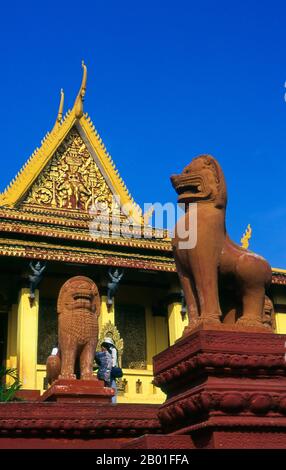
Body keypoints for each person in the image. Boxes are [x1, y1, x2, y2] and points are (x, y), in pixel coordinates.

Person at [95, 337, 118, 403]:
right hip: (109, 371)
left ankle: (111, 401)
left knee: (109, 386)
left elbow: (113, 362)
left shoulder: (111, 351)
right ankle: (111, 401)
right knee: (110, 386)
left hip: (108, 371)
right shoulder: (111, 351)